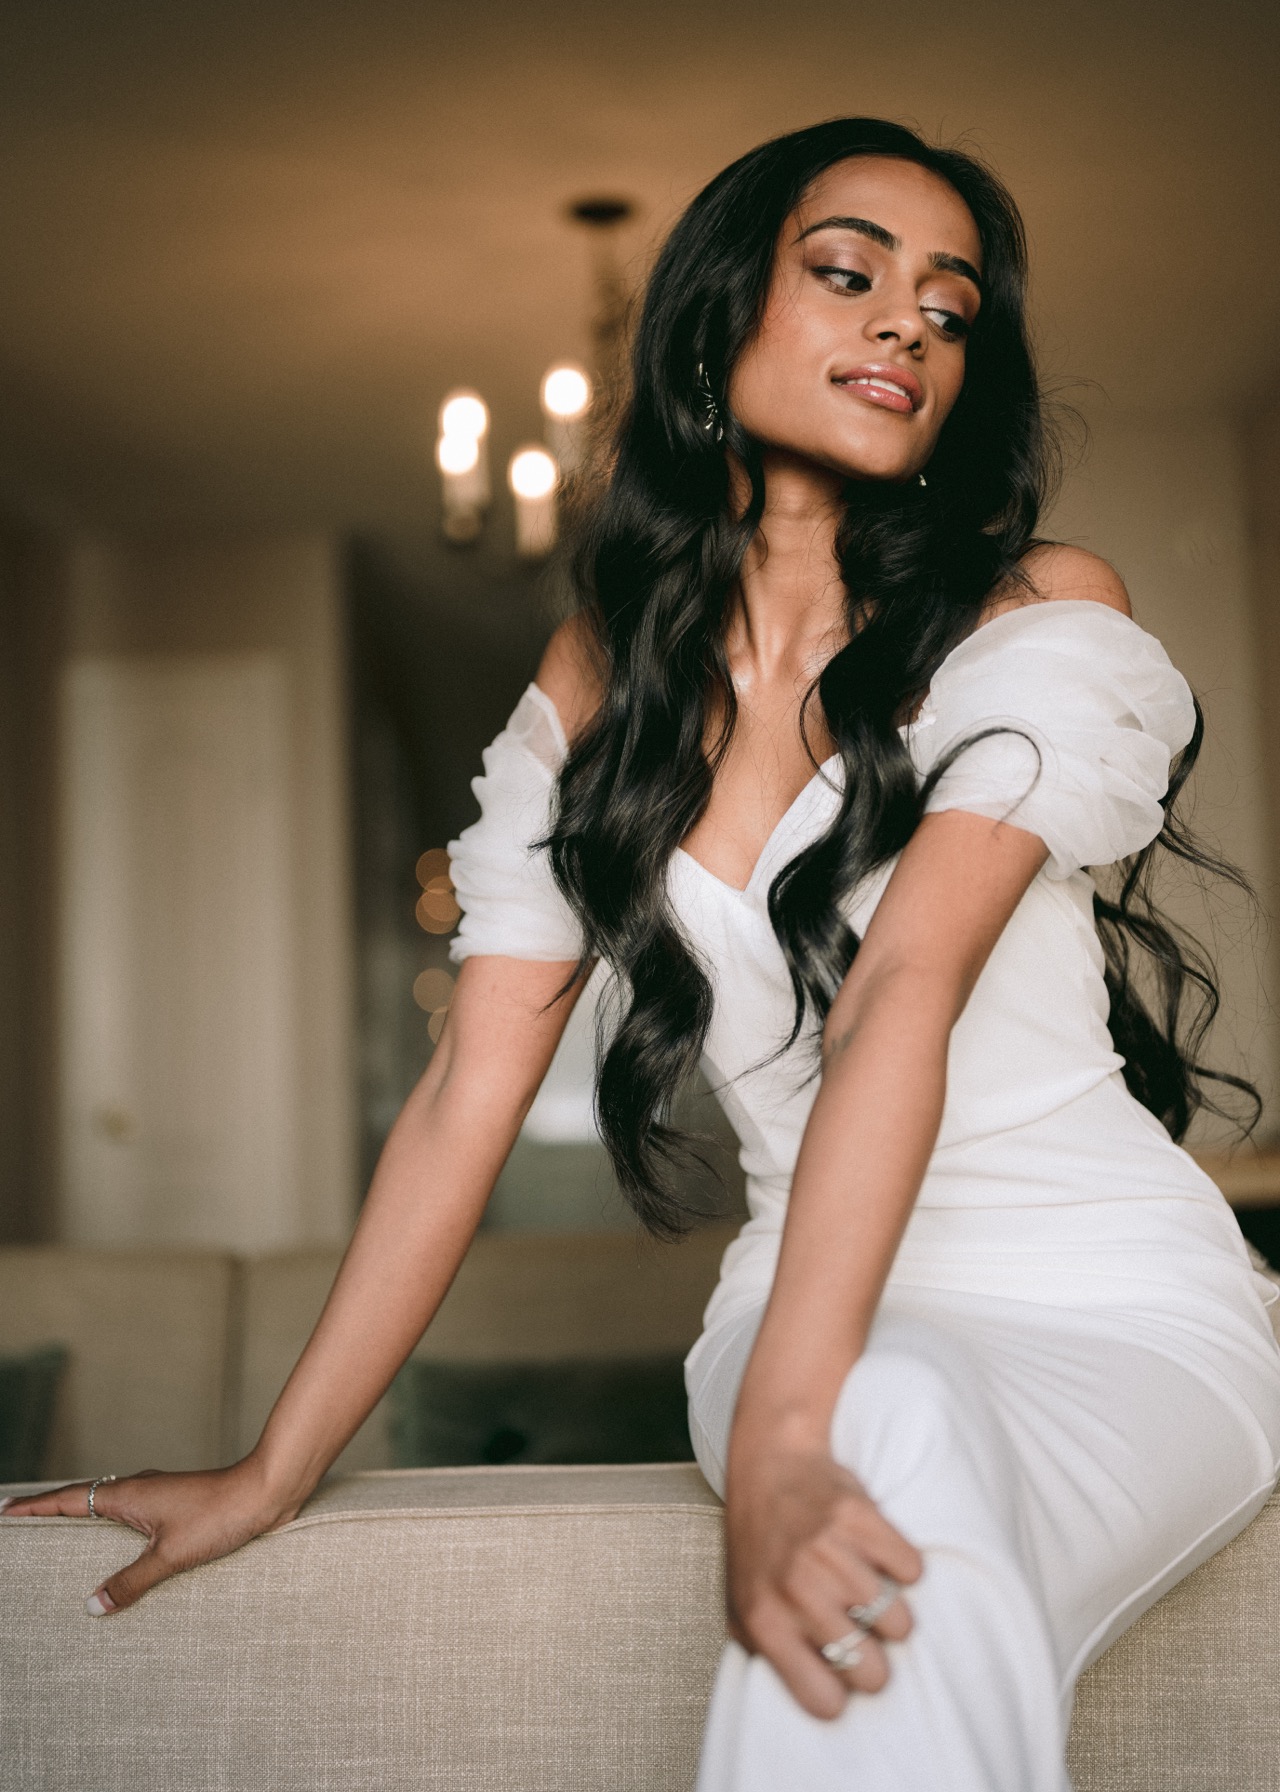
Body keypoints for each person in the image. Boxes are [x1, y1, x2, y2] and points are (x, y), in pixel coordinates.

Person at [7, 117, 1280, 1791]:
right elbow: (473, 1081)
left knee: (874, 1439)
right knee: (881, 1424)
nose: (907, 324)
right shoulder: (601, 679)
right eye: (848, 274)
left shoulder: (1031, 614)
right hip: (798, 1302)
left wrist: (788, 1440)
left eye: (951, 310)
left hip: (1111, 1305)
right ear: (710, 319)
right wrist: (272, 1467)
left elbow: (903, 989)